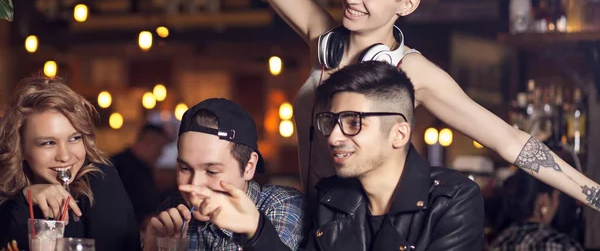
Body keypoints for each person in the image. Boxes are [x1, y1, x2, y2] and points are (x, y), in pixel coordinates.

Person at [244, 0, 600, 210]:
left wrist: (595, 195)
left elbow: (508, 141)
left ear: (408, 4)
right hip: (313, 221)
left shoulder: (413, 72)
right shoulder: (323, 39)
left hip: (366, 230)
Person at [183, 61, 485, 250]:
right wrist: (257, 230)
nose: (335, 136)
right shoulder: (334, 198)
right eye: (331, 121)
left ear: (399, 133)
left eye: (353, 122)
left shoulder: (452, 200)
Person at [143, 98, 307, 251]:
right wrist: (151, 247)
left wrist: (257, 232)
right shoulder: (173, 212)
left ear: (249, 166)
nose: (194, 186)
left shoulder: (279, 205)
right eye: (185, 169)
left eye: (212, 171)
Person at [0, 76, 140, 251]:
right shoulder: (8, 199)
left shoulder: (100, 182)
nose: (65, 157)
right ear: (20, 148)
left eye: (74, 138)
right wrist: (23, 202)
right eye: (48, 143)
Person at [490, 170, 584, 250]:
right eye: (557, 197)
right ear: (544, 201)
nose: (557, 204)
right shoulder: (559, 245)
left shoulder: (500, 241)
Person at [112, 124, 170, 229]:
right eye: (159, 148)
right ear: (148, 143)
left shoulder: (145, 168)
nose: (160, 153)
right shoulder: (119, 166)